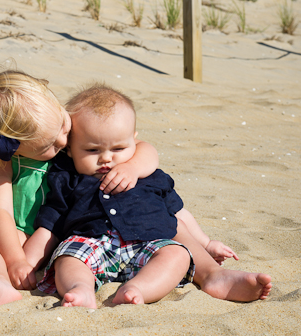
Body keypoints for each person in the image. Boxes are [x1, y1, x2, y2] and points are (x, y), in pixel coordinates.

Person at [31, 84, 272, 308]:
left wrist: (207, 243)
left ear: (134, 140)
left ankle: (142, 288)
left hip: (148, 243)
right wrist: (25, 262)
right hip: (91, 244)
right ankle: (80, 289)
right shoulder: (67, 178)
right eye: (92, 150)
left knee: (177, 253)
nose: (106, 158)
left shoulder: (148, 175)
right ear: (70, 149)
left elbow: (178, 213)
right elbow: (50, 226)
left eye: (118, 148)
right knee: (68, 258)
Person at [0, 69, 160, 306]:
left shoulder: (69, 132)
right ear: (15, 148)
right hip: (18, 237)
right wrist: (15, 260)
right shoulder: (2, 161)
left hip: (64, 232)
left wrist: (133, 167)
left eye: (63, 126)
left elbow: (142, 147)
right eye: (49, 146)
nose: (64, 141)